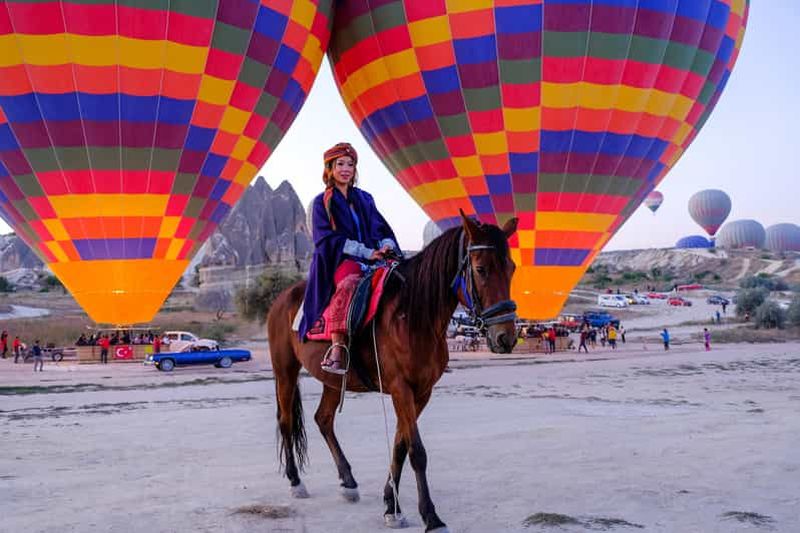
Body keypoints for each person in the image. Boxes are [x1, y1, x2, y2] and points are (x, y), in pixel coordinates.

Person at [298, 142, 401, 375]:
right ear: (330, 169)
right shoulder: (321, 202)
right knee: (349, 284)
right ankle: (337, 348)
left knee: (404, 279)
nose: (346, 169)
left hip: (374, 258)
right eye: (340, 164)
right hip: (339, 259)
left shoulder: (365, 199)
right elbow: (327, 239)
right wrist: (365, 252)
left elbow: (380, 227)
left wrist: (385, 245)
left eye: (350, 164)